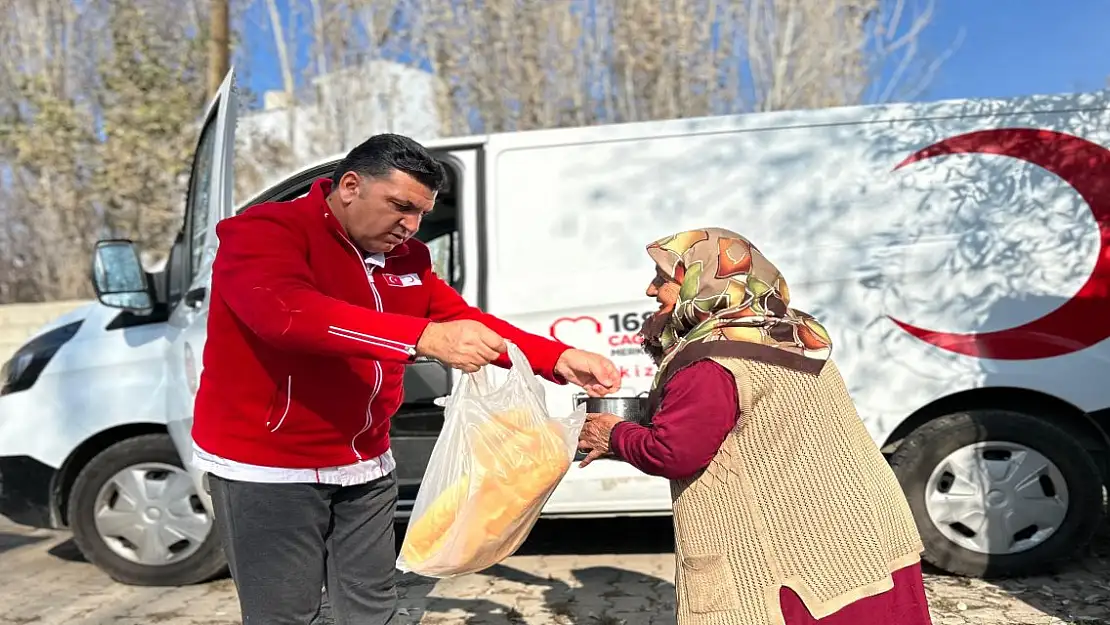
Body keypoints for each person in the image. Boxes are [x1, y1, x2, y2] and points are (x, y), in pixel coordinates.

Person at [190, 133, 620, 625]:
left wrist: (556, 357)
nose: (411, 227)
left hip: (366, 463)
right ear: (350, 186)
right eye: (400, 206)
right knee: (286, 615)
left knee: (372, 608)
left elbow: (460, 319)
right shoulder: (265, 232)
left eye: (421, 212)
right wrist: (422, 337)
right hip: (271, 470)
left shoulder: (409, 258)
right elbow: (286, 314)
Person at [576, 227, 932, 625]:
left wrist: (613, 434)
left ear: (702, 281)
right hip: (861, 532)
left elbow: (675, 453)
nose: (650, 289)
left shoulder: (711, 362)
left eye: (663, 279)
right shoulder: (791, 334)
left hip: (799, 559)